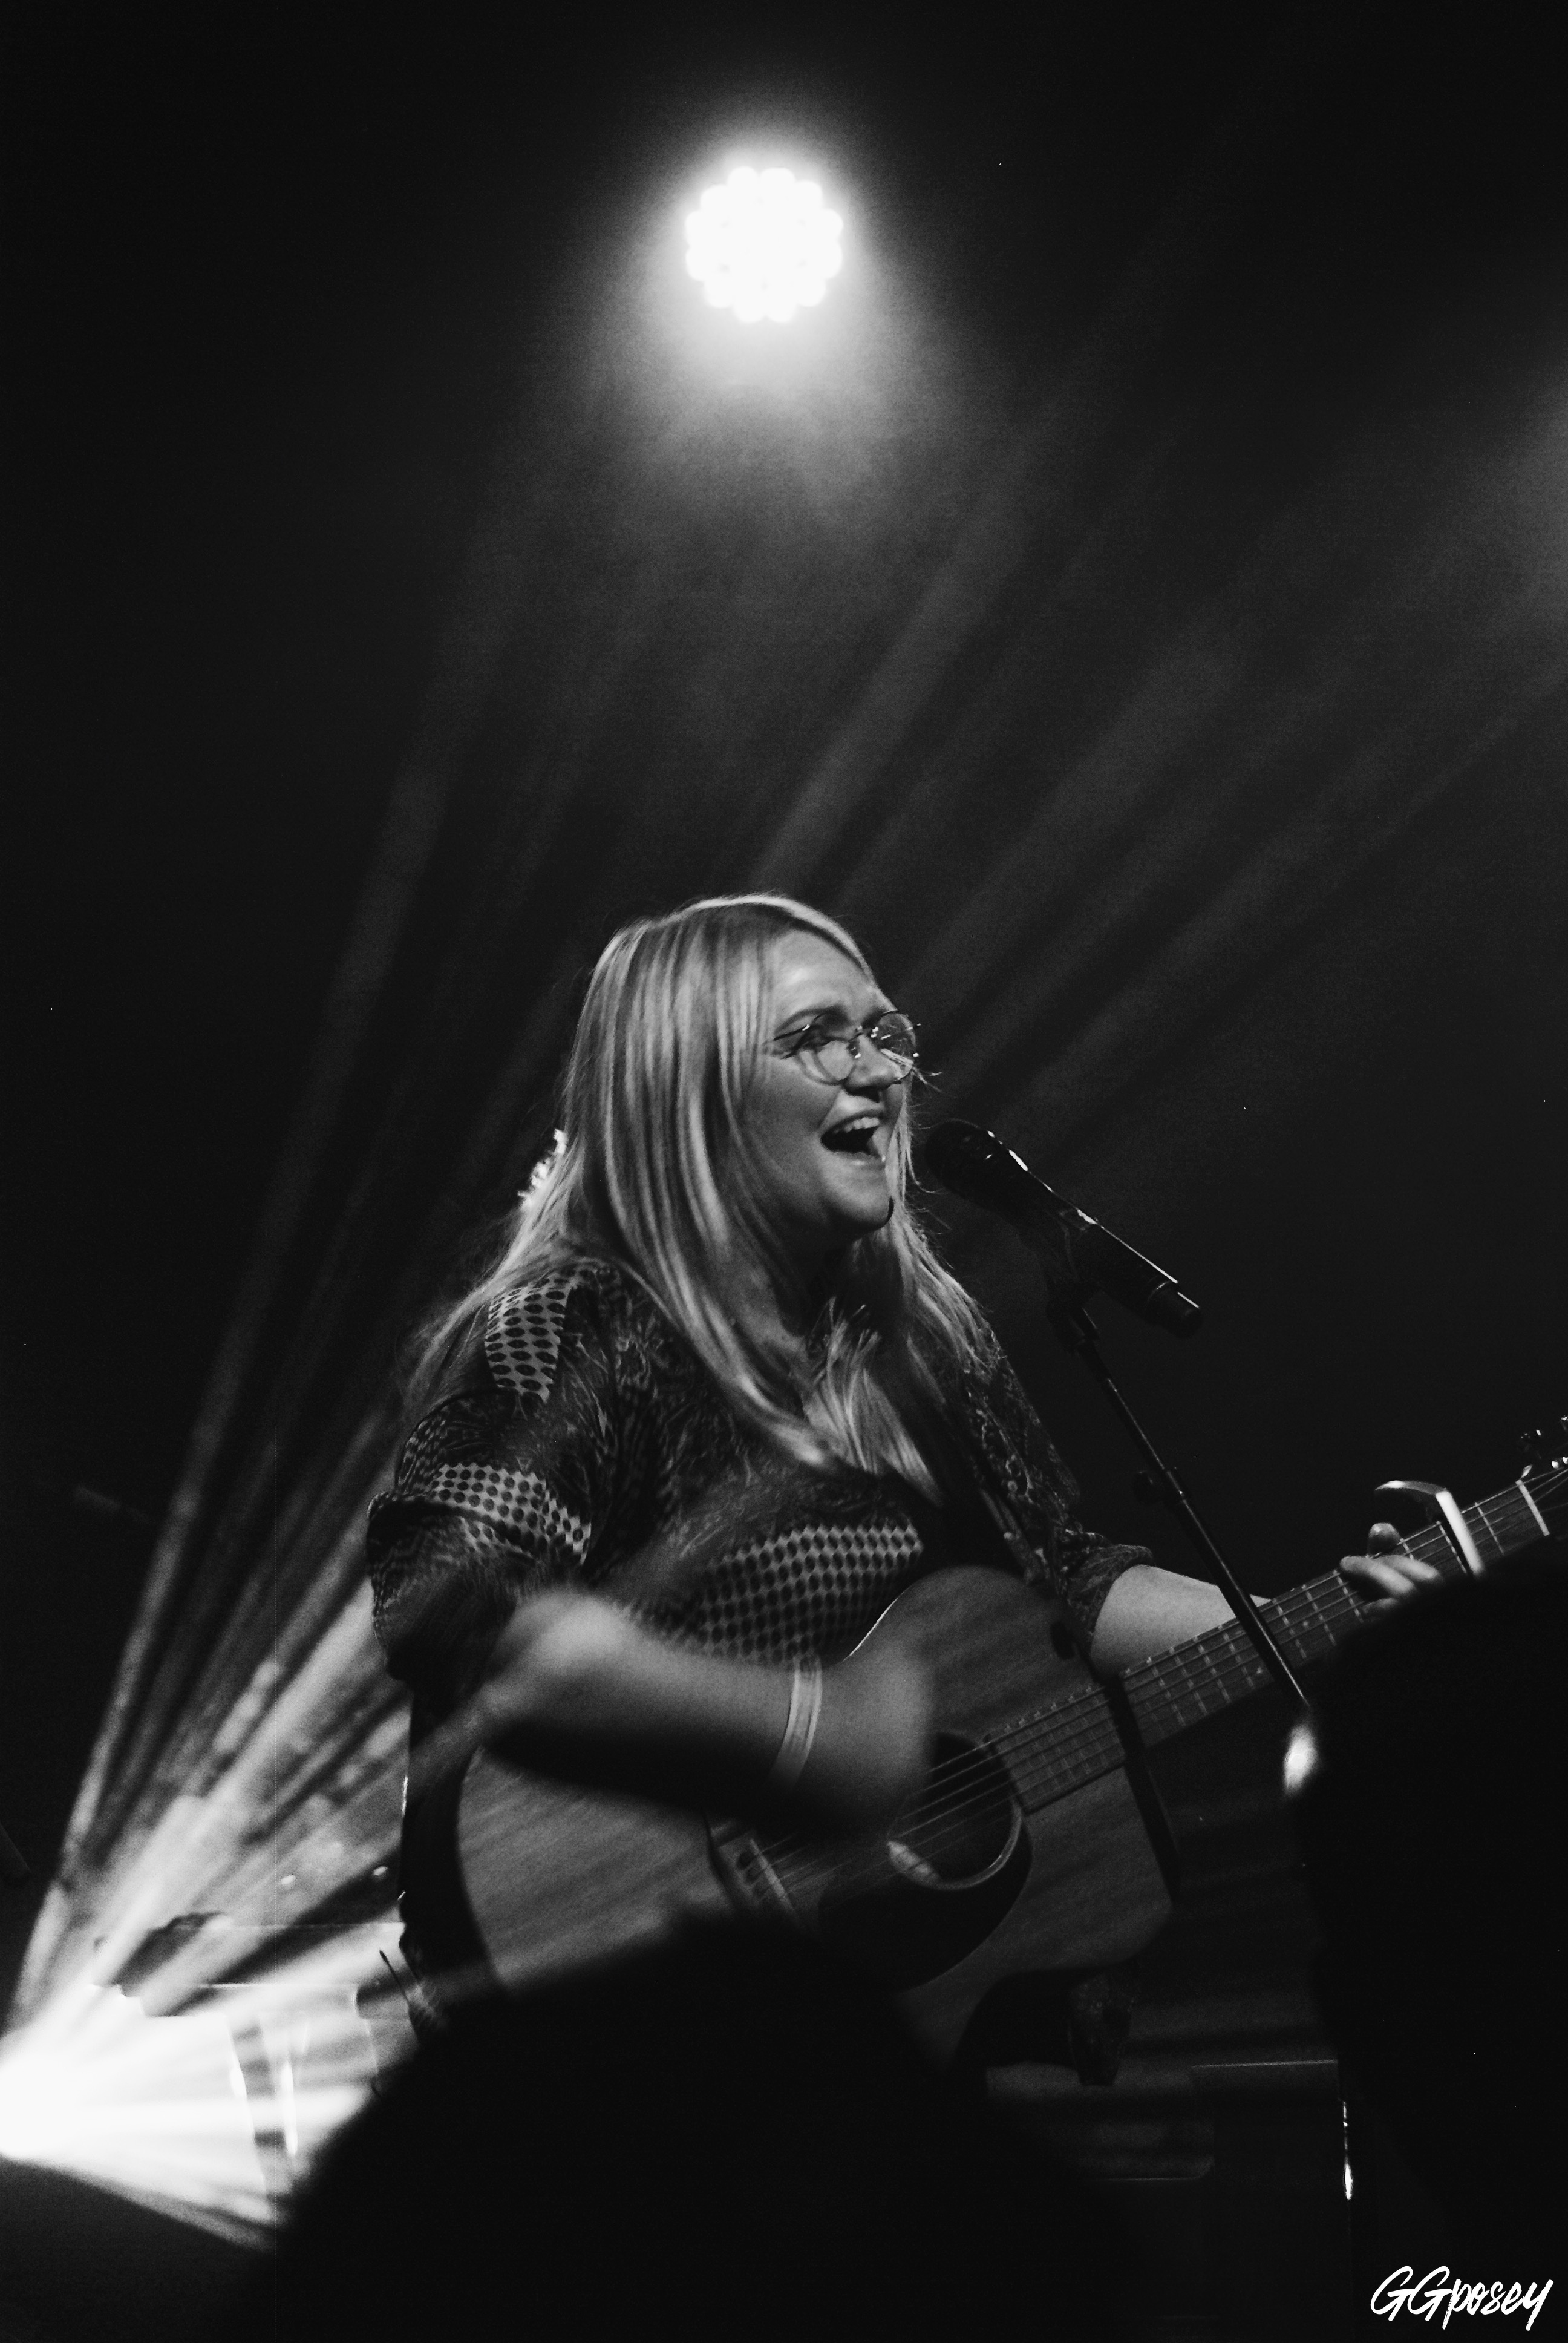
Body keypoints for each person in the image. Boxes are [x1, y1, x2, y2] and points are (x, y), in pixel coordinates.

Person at [365, 891, 1432, 1979]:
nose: (878, 1072)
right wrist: (802, 1737)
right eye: (816, 1038)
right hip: (623, 1991)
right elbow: (453, 1605)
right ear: (687, 1090)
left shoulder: (921, 1330)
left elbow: (1061, 1586)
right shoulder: (577, 1324)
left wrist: (1314, 1634)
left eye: (882, 1032)